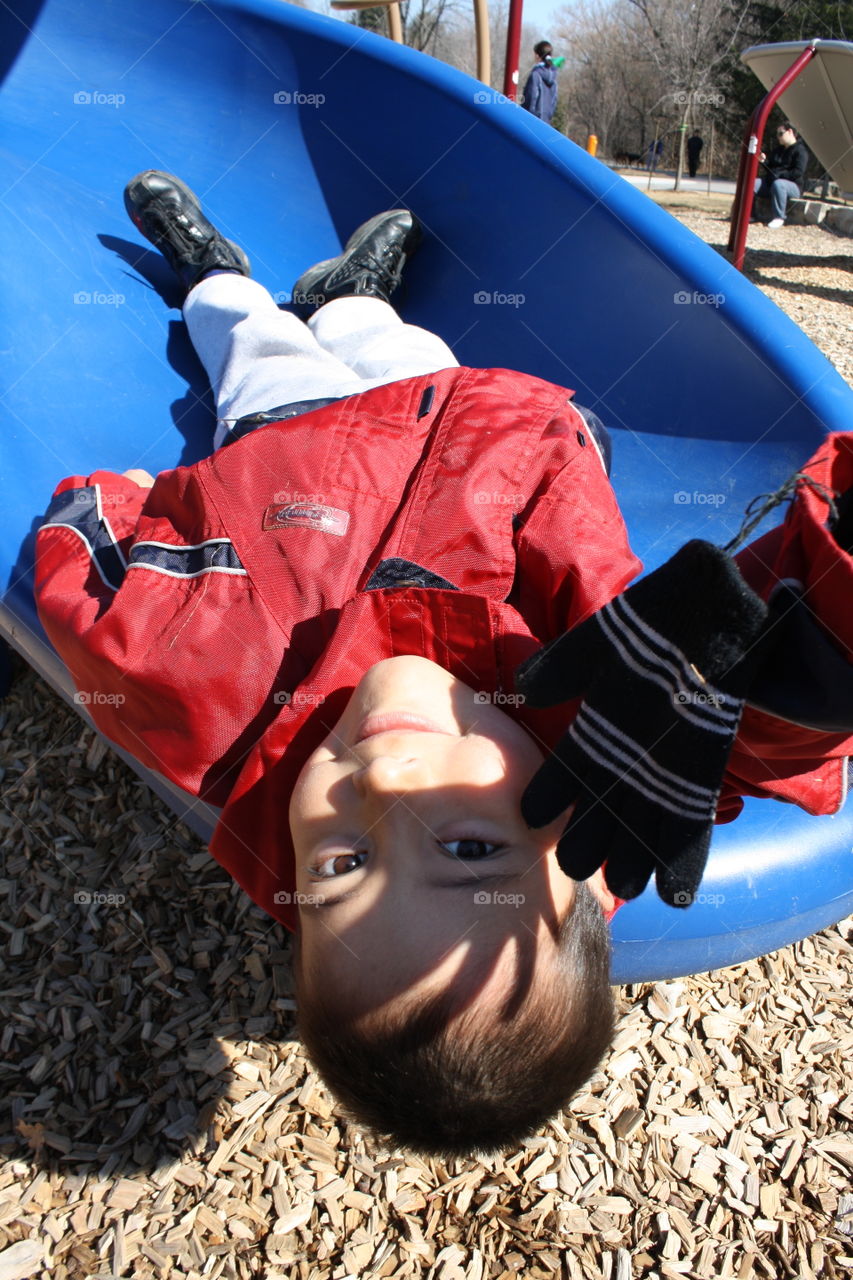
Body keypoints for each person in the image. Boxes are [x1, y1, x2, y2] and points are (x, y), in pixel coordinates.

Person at [34, 172, 853, 1157]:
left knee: (253, 346)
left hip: (296, 440)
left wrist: (109, 503)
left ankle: (214, 274)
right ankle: (352, 296)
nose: (381, 785)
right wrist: (818, 663)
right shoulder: (606, 714)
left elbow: (92, 593)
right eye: (467, 850)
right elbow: (762, 736)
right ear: (581, 857)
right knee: (397, 343)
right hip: (474, 416)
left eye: (339, 864)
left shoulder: (212, 690)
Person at [754, 121, 809, 228]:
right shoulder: (778, 150)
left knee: (779, 184)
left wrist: (779, 175)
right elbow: (771, 169)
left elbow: (798, 172)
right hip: (773, 183)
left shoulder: (801, 151)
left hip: (793, 187)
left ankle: (779, 217)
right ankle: (749, 214)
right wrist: (764, 162)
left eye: (780, 134)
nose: (778, 137)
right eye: (777, 134)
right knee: (752, 183)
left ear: (790, 132)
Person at [520, 41, 559, 124]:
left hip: (533, 121)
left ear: (537, 55)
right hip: (546, 121)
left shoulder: (536, 74)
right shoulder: (554, 75)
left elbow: (531, 97)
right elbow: (554, 100)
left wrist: (526, 116)